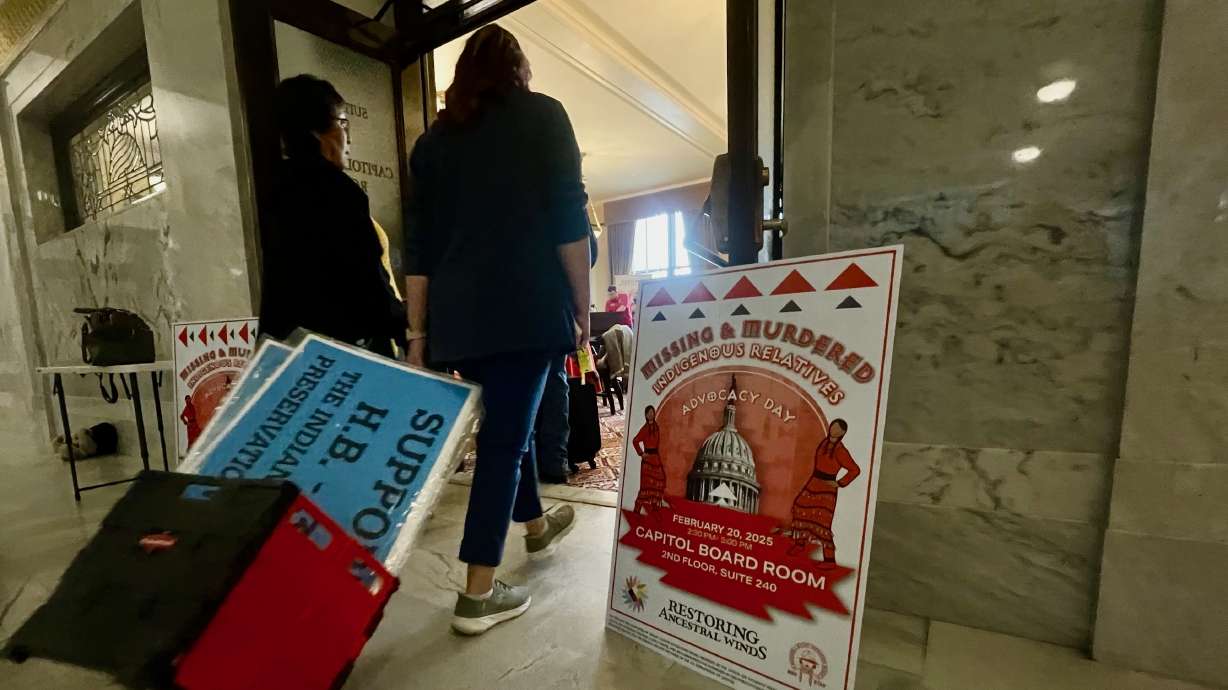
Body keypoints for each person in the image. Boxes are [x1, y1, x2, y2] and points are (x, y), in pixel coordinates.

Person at [403, 25, 586, 636]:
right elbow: (569, 219)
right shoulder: (543, 117)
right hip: (527, 306)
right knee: (505, 440)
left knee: (510, 422)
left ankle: (535, 529)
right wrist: (582, 310)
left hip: (459, 318)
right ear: (519, 71)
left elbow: (418, 250)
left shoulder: (432, 144)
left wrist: (418, 335)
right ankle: (478, 593)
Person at [259, 74, 406, 356]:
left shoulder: (274, 190)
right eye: (342, 123)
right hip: (344, 356)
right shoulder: (340, 194)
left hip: (292, 354)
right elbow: (368, 285)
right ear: (317, 132)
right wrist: (410, 331)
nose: (347, 136)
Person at [787, 419, 861, 563]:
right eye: (832, 426)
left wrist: (840, 483)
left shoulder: (841, 450)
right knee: (800, 508)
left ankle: (829, 560)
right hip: (814, 481)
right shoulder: (824, 443)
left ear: (842, 432)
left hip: (827, 488)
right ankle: (800, 543)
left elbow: (855, 470)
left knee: (823, 523)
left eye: (837, 428)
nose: (833, 429)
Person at [631, 405, 668, 515]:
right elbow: (635, 441)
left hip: (656, 458)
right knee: (646, 485)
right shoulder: (645, 428)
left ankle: (654, 504)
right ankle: (637, 509)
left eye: (653, 412)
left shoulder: (657, 427)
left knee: (659, 481)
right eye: (649, 413)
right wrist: (641, 453)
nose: (651, 414)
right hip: (648, 460)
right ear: (646, 415)